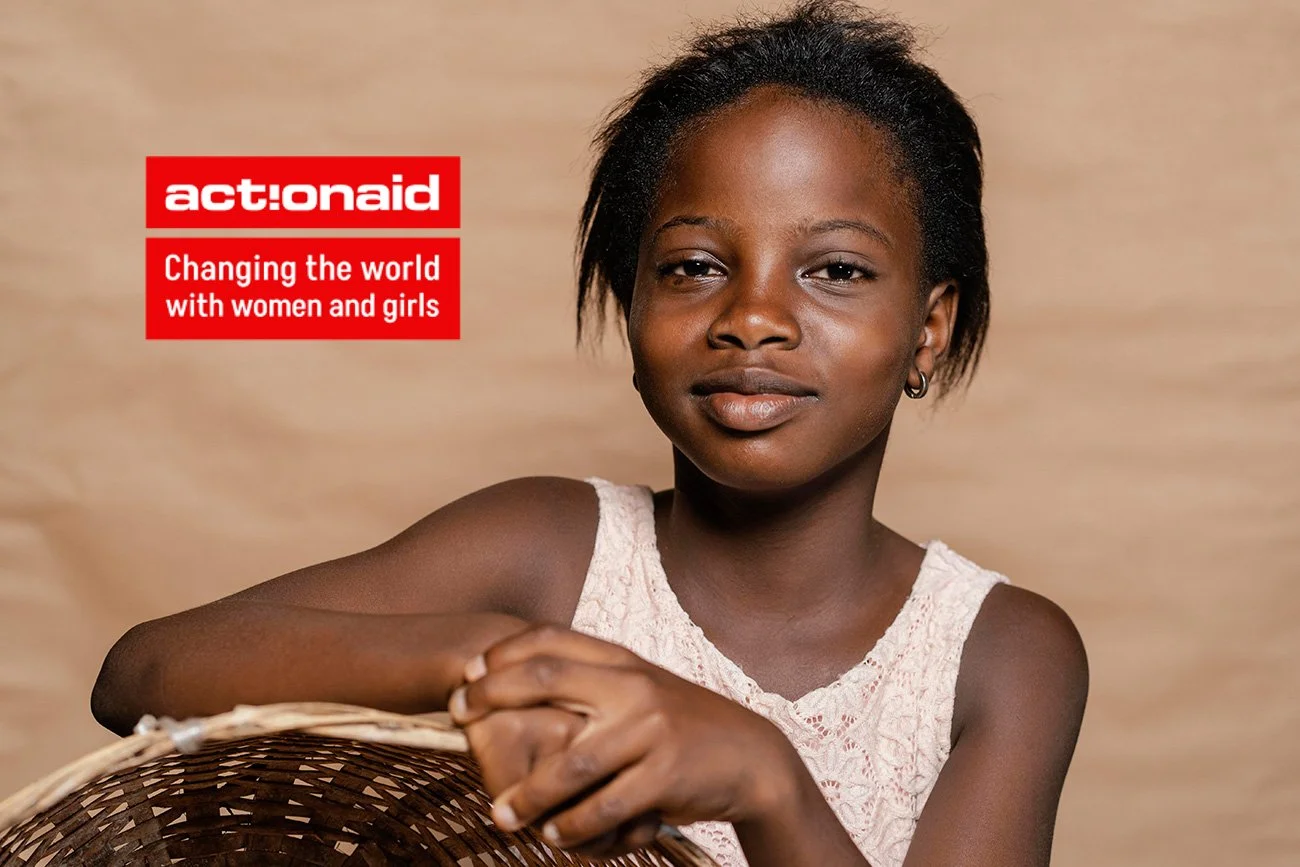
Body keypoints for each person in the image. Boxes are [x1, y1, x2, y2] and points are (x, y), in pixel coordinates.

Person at [92, 2, 1088, 865]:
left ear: (929, 329)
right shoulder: (545, 551)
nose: (752, 317)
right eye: (693, 267)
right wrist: (487, 655)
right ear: (631, 308)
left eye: (834, 271)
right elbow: (139, 674)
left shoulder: (1001, 656)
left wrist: (767, 781)